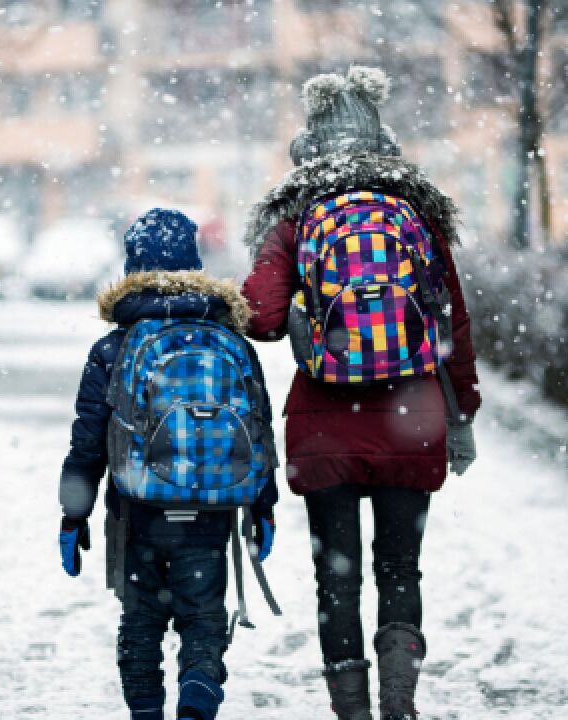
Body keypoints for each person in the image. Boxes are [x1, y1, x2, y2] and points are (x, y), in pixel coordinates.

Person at [240, 66, 482, 720]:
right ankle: (399, 704)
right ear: (382, 141)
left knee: (337, 581)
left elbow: (259, 317)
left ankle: (351, 711)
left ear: (308, 144)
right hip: (414, 416)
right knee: (401, 570)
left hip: (326, 426)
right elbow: (452, 319)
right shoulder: (416, 213)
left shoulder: (296, 215)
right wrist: (463, 416)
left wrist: (298, 315)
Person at [58, 208, 280, 720]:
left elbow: (88, 442)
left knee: (140, 622)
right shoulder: (231, 340)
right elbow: (260, 431)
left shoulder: (114, 347)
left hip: (137, 511)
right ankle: (199, 694)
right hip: (210, 508)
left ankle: (147, 712)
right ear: (195, 264)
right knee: (202, 617)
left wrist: (74, 514)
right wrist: (263, 507)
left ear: (132, 267)